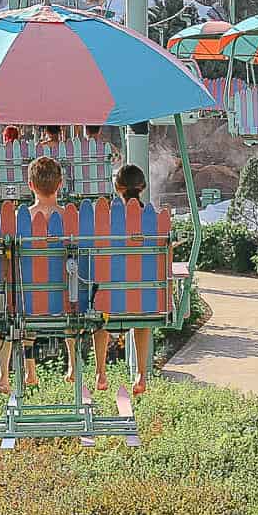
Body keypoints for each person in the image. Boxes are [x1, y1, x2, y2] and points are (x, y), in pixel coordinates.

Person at [85, 163, 153, 397]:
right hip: (142, 296)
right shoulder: (152, 218)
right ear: (142, 187)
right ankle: (141, 373)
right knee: (142, 318)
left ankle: (101, 371)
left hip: (109, 296)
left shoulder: (105, 219)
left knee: (99, 314)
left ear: (117, 187)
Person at [0, 154, 65, 394]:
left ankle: (29, 368)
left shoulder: (19, 218)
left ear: (30, 185)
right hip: (65, 298)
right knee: (73, 317)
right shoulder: (72, 216)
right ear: (60, 184)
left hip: (27, 299)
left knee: (25, 312)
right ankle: (73, 365)